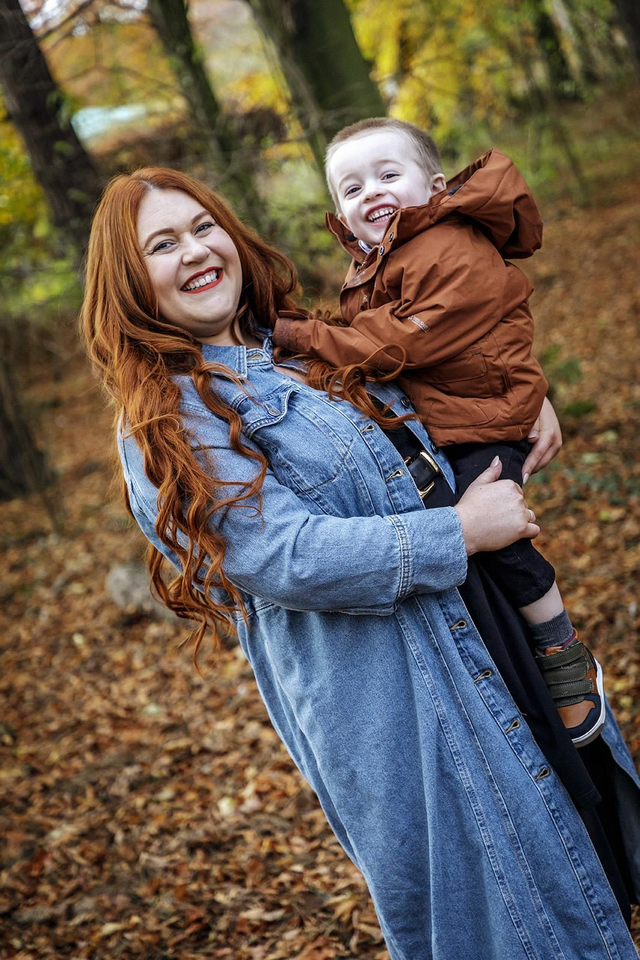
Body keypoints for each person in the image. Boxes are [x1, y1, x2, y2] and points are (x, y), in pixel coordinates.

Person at [80, 166, 640, 960]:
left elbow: (443, 371)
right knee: (505, 912)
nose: (196, 252)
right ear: (131, 282)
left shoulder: (298, 347)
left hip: (483, 634)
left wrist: (522, 397)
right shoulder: (171, 415)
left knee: (576, 858)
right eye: (162, 245)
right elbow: (280, 553)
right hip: (396, 698)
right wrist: (460, 534)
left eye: (203, 228)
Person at [271, 118, 603, 746]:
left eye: (387, 175)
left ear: (436, 185)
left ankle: (564, 655)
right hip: (455, 411)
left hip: (489, 412)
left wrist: (300, 335)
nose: (369, 192)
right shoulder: (382, 260)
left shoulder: (449, 245)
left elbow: (395, 344)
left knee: (494, 532)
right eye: (350, 187)